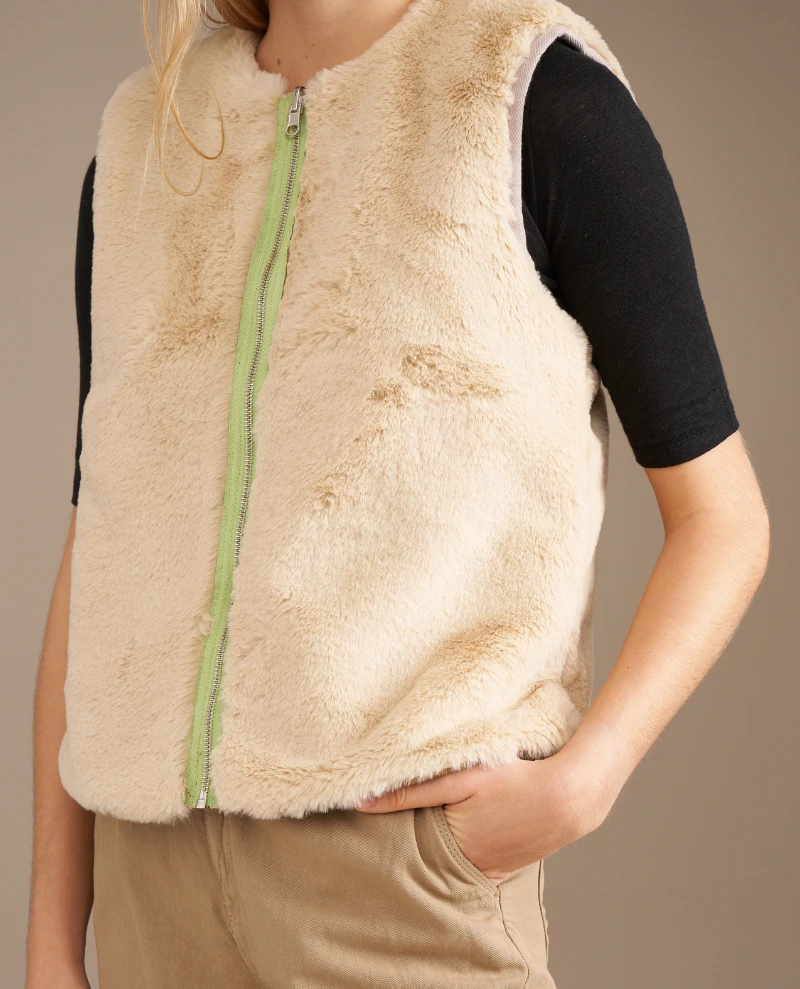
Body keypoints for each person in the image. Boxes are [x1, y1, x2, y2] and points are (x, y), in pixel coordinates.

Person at [26, 1, 770, 986]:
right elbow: (99, 553)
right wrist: (50, 935)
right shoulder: (145, 145)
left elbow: (724, 519)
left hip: (396, 877)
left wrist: (586, 779)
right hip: (149, 890)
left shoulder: (529, 93)